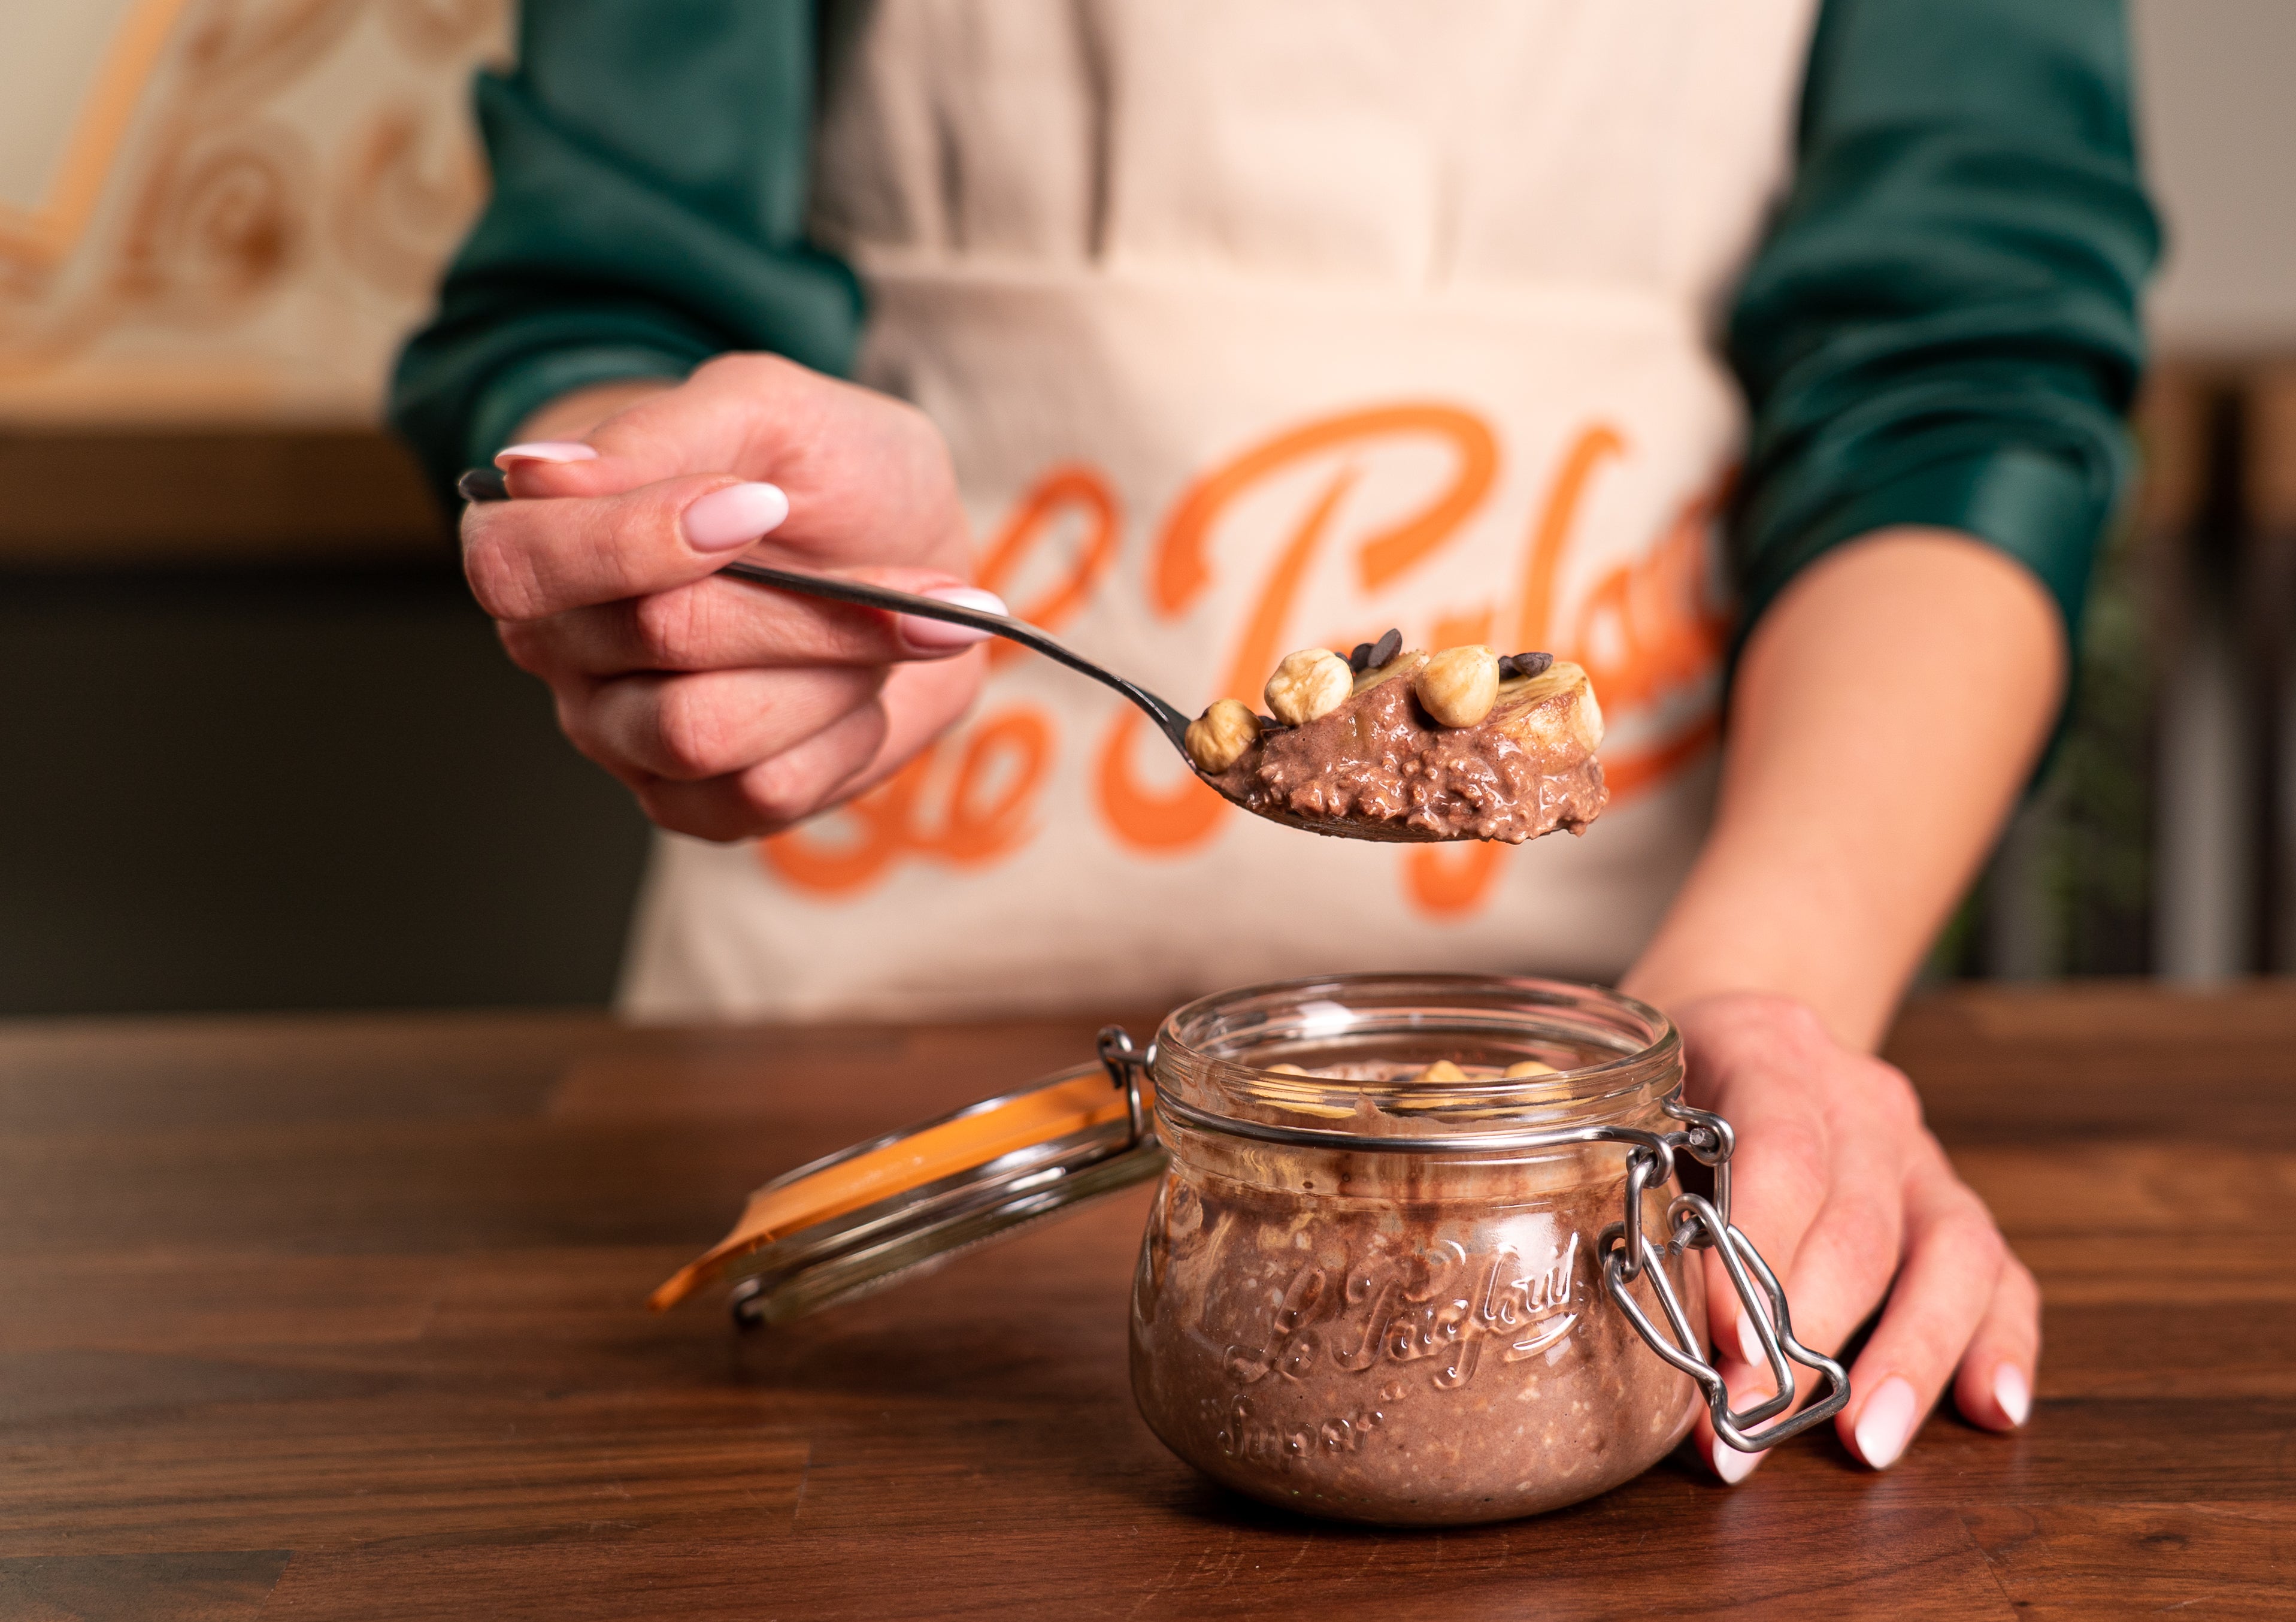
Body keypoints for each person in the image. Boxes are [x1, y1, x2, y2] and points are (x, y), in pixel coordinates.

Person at [393, 0, 2158, 1484]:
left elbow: (1963, 381)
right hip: (866, 1055)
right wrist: (693, 518)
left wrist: (1773, 988)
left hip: (1628, 1066)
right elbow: (598, 276)